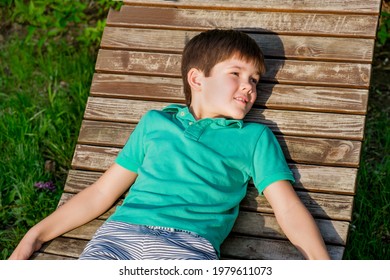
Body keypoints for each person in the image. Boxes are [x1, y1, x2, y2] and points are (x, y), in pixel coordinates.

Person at [9, 29, 330, 260]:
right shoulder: (156, 124)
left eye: (255, 80)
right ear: (197, 79)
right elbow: (102, 192)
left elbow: (286, 207)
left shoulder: (254, 138)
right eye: (236, 73)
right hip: (119, 236)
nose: (248, 86)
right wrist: (33, 237)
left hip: (187, 248)